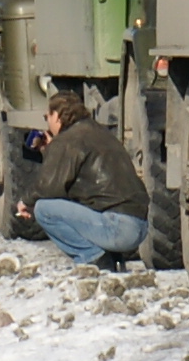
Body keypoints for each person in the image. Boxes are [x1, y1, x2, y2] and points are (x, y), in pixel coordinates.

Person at [19, 85, 147, 269]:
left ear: (57, 116)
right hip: (139, 225)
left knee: (43, 209)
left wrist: (25, 201)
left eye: (47, 117)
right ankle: (113, 260)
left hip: (118, 227)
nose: (47, 123)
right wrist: (50, 150)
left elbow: (48, 187)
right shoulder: (99, 132)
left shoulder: (67, 141)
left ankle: (94, 260)